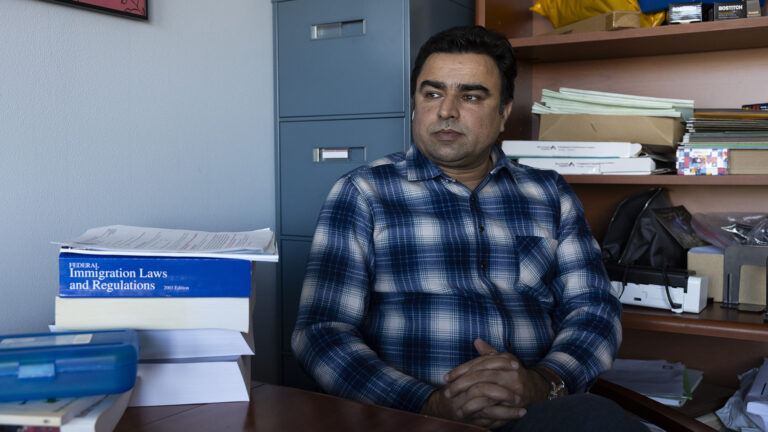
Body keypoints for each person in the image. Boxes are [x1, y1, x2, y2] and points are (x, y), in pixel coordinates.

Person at [292, 25, 646, 431]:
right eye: (432, 93)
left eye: (471, 96)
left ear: (504, 114)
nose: (446, 111)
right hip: (410, 417)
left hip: (534, 414)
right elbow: (320, 333)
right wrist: (429, 403)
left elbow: (595, 310)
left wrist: (543, 383)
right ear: (415, 104)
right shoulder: (364, 193)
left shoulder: (549, 194)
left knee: (599, 419)